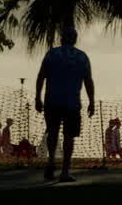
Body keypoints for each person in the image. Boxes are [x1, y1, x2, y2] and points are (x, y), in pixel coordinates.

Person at [35, 26, 95, 183]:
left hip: (52, 100)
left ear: (61, 38)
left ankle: (50, 161)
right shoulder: (82, 57)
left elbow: (41, 76)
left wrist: (37, 97)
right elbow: (88, 81)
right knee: (69, 136)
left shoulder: (52, 54)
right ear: (75, 39)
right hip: (72, 102)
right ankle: (65, 171)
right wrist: (92, 101)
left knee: (52, 132)